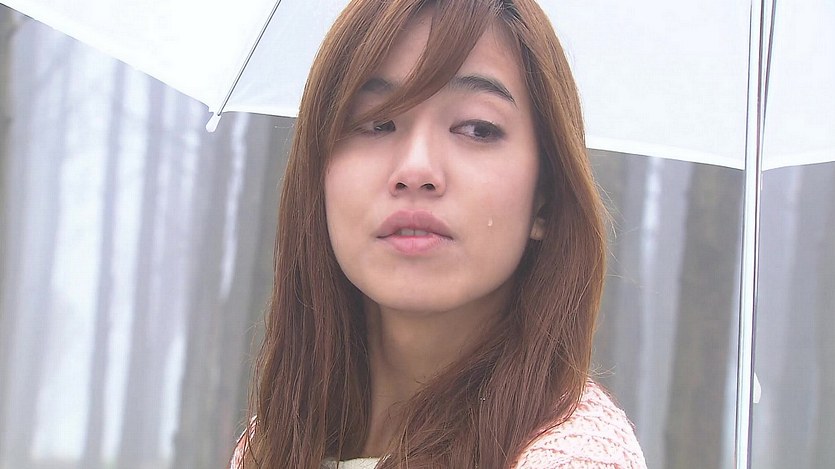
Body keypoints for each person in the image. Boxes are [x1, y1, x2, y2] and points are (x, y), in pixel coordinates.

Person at [231, 0, 646, 467]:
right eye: (377, 122)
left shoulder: (571, 455)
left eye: (477, 129)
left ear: (545, 196)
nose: (416, 169)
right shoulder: (268, 445)